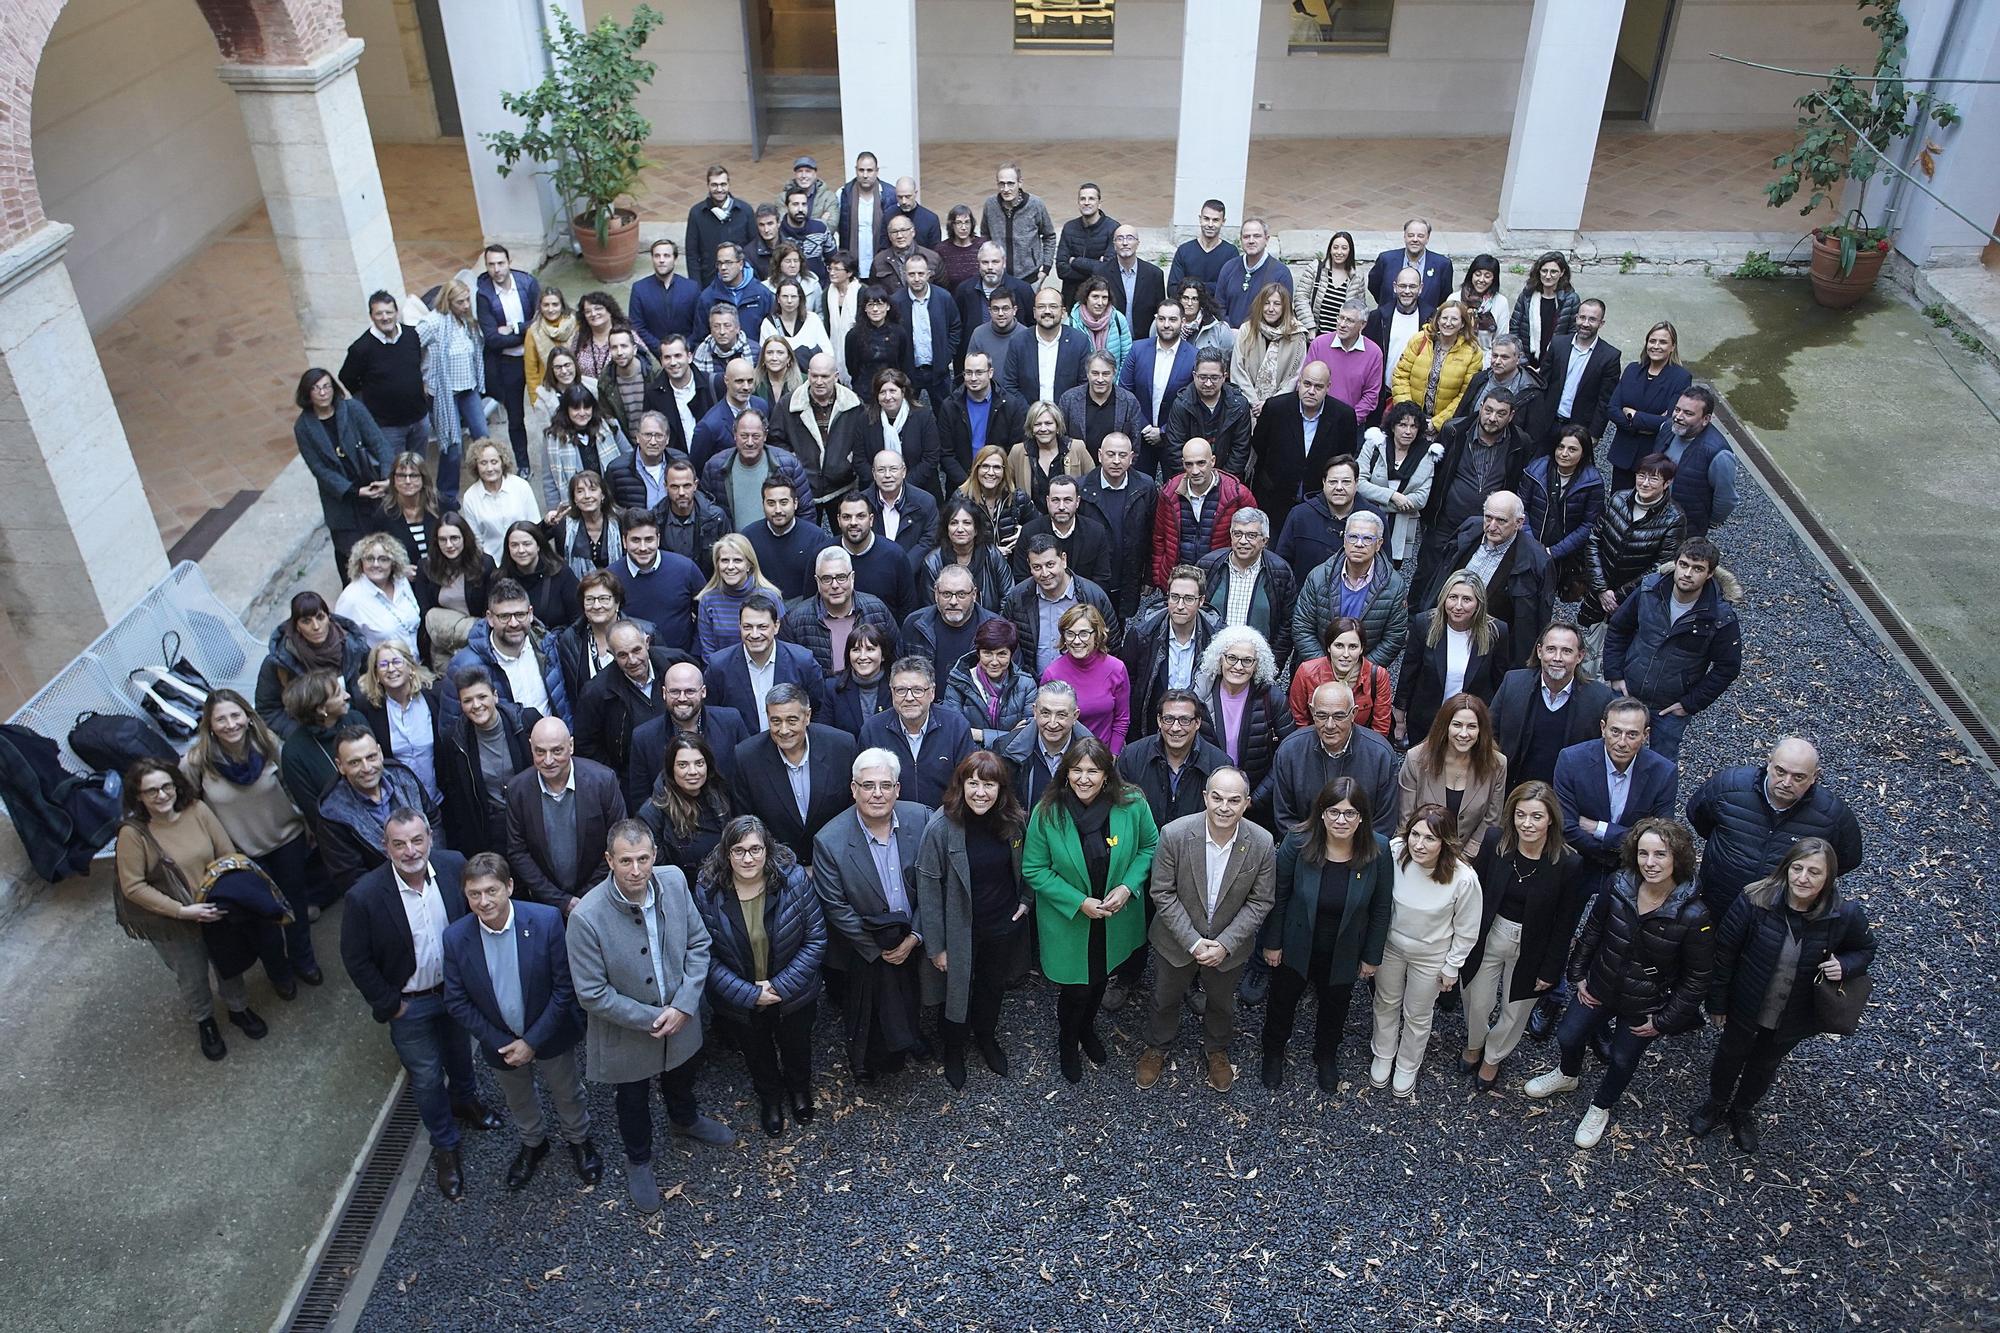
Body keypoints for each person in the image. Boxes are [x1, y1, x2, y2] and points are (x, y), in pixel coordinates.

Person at [568, 818, 734, 1214]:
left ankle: (685, 1119)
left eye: (643, 858)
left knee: (682, 1072)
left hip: (681, 1013)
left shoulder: (674, 881)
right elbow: (591, 992)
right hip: (628, 1029)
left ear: (655, 855)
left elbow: (699, 943)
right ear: (609, 860)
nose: (636, 870)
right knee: (632, 1096)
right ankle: (638, 1159)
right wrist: (652, 1019)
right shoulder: (586, 917)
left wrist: (683, 1005)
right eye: (626, 861)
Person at [1524, 818, 1713, 1149]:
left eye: (1660, 854)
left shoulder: (1694, 914)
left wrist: (1663, 1021)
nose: (1650, 863)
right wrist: (1578, 975)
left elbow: (1697, 978)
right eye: (1643, 854)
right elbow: (1593, 929)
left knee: (1624, 1059)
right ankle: (1568, 1075)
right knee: (1568, 1035)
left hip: (1645, 1002)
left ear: (1677, 858)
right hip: (1601, 983)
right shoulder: (1619, 884)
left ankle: (1601, 1106)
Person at [338, 810, 496, 1198]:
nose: (410, 851)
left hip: (454, 993)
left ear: (429, 837)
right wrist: (390, 1005)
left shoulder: (453, 865)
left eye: (417, 840)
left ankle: (466, 1102)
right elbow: (355, 958)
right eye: (399, 844)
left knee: (461, 1054)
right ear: (385, 846)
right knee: (426, 1076)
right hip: (409, 1005)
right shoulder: (365, 896)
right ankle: (444, 1143)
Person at [1695, 837, 1877, 1153]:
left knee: (1765, 1064)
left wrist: (1844, 965)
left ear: (1829, 877)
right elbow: (1724, 953)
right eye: (1798, 868)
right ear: (1786, 868)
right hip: (1745, 1005)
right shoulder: (1754, 900)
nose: (1803, 878)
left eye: (1814, 872)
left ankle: (1741, 1112)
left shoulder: (1844, 915)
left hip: (1793, 1014)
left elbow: (1865, 949)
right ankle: (1716, 1103)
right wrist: (1717, 1001)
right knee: (1729, 1055)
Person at [442, 853, 600, 1191]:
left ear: (509, 886)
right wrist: (502, 1041)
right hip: (499, 1043)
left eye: (491, 891)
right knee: (518, 1099)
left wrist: (532, 1042)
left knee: (567, 1092)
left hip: (550, 1034)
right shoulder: (455, 938)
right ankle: (533, 1143)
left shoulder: (545, 921)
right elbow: (456, 1000)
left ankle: (579, 1140)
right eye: (474, 894)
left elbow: (564, 989)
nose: (483, 901)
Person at [115, 759, 282, 1061]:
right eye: (151, 791)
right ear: (138, 796)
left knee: (227, 961)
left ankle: (238, 1009)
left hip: (214, 906)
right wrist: (183, 911)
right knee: (191, 975)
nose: (162, 795)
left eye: (166, 786)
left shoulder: (198, 811)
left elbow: (227, 854)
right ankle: (205, 1021)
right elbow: (133, 886)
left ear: (176, 785)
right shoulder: (133, 834)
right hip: (173, 918)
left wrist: (223, 898)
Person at [1023, 736, 1159, 1083]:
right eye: (1077, 770)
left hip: (1114, 914)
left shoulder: (1132, 803)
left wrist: (1128, 886)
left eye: (1093, 771)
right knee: (1076, 988)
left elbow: (1149, 846)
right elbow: (1034, 868)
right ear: (1065, 773)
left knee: (1100, 978)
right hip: (1071, 918)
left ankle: (1088, 1030)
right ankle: (1068, 1041)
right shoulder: (1048, 811)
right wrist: (1078, 902)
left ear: (1107, 775)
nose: (1084, 778)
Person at [1133, 767, 1276, 1093]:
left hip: (1230, 946)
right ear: (1205, 798)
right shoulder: (1174, 834)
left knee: (1222, 1003)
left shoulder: (1262, 843)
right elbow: (1162, 893)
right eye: (1217, 797)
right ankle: (1158, 1045)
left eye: (1234, 800)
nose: (1224, 807)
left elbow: (1261, 900)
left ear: (1246, 803)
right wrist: (1193, 942)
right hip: (1175, 941)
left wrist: (1225, 944)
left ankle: (1216, 1049)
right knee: (1164, 998)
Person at [692, 815, 826, 1137]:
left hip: (792, 994)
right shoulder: (708, 892)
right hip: (741, 999)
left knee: (796, 1044)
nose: (748, 858)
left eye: (755, 849)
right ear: (726, 854)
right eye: (738, 851)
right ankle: (770, 1098)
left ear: (768, 849)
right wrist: (750, 994)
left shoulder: (794, 881)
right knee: (757, 1051)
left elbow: (816, 938)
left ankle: (798, 1090)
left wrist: (779, 987)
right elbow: (704, 956)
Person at [1258, 776, 1392, 1091]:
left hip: (1344, 948)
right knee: (1282, 1001)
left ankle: (1326, 1054)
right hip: (1296, 942)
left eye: (1350, 813)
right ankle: (1274, 1052)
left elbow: (1381, 908)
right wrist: (1273, 943)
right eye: (1334, 812)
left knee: (1336, 1005)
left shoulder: (1379, 850)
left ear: (1362, 817)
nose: (1341, 820)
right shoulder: (1297, 841)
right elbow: (1279, 896)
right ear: (1321, 812)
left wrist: (1372, 956)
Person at [183, 690, 322, 984]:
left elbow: (291, 783)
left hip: (286, 839)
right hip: (241, 854)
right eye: (221, 719)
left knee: (295, 903)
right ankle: (279, 972)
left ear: (247, 716)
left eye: (236, 715)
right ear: (209, 724)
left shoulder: (268, 744)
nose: (230, 724)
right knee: (262, 918)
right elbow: (189, 808)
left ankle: (303, 959)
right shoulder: (197, 762)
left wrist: (307, 823)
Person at [1458, 781, 1587, 1092]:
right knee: (1476, 998)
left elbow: (1566, 922)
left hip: (1534, 943)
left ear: (1551, 819)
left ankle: (1493, 1056)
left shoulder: (1569, 862)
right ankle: (1475, 1042)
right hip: (1491, 932)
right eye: (1520, 815)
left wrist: (1551, 968)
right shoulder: (1494, 841)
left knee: (1516, 1009)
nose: (1527, 824)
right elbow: (1475, 892)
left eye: (1536, 817)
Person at [913, 751, 1032, 1087]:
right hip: (959, 929)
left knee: (992, 986)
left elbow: (1028, 866)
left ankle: (986, 1037)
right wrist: (936, 946)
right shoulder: (940, 827)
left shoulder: (1013, 821)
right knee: (957, 991)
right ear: (961, 785)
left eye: (989, 784)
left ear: (1001, 789)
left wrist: (1026, 901)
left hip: (1001, 924)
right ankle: (953, 1049)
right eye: (973, 783)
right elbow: (929, 889)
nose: (981, 792)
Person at [812, 749, 931, 1082]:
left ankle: (912, 1037)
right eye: (868, 785)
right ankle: (869, 1057)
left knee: (912, 991)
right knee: (869, 1006)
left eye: (885, 785)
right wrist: (877, 949)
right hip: (865, 945)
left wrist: (916, 937)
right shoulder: (829, 841)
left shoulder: (921, 819)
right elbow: (835, 906)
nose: (877, 793)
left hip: (913, 934)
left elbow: (935, 887)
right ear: (853, 789)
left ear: (898, 789)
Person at [1686, 738, 1866, 923]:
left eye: (1798, 777)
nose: (1787, 782)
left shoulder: (1832, 816)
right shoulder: (1728, 787)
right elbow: (1698, 817)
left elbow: (1844, 860)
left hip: (1777, 917)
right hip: (1717, 901)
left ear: (1815, 776)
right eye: (1780, 771)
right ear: (1768, 762)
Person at [1370, 804, 1481, 1098]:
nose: (1419, 844)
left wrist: (1452, 966)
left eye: (1430, 838)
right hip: (1391, 947)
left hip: (1431, 956)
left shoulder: (1463, 877)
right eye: (1415, 834)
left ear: (1446, 842)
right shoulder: (1394, 852)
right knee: (1386, 1001)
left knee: (1418, 1013)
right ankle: (1383, 1053)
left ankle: (1407, 1064)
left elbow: (1468, 928)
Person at [1603, 538, 1742, 768]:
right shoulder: (1649, 590)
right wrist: (1615, 674)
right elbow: (1619, 627)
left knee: (1660, 767)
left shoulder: (1719, 616)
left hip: (1669, 708)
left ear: (1709, 574)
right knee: (1611, 753)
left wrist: (1689, 703)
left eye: (1698, 569)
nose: (1688, 573)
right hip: (1627, 692)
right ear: (1675, 564)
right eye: (1684, 564)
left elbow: (1727, 667)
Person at [502, 718, 626, 917]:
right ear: (531, 749)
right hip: (546, 906)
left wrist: (587, 896)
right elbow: (518, 851)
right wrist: (560, 900)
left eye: (557, 751)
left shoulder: (603, 781)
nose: (548, 760)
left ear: (571, 746)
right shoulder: (518, 790)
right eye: (540, 752)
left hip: (601, 898)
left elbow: (619, 844)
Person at [1581, 454, 1686, 675]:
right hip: (1599, 592)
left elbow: (1660, 566)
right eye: (1641, 476)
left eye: (1654, 479)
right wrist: (1601, 589)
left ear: (1667, 483)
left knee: (1618, 655)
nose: (1645, 483)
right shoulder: (1618, 499)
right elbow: (1593, 541)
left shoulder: (1674, 518)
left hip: (1633, 600)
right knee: (1586, 647)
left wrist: (1618, 596)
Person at [1432, 489, 1555, 673]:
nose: (1492, 526)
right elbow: (1440, 576)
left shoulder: (1537, 561)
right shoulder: (1469, 529)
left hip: (1491, 648)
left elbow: (1533, 623)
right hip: (1448, 631)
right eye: (1488, 517)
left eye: (1501, 520)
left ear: (1519, 523)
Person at [732, 684, 857, 862]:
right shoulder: (747, 757)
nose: (783, 730)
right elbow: (745, 823)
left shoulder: (841, 746)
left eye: (792, 720)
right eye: (776, 721)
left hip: (837, 861)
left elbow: (853, 809)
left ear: (807, 716)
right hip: (778, 868)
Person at [1486, 622, 1614, 789]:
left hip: (1568, 796)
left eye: (1567, 651)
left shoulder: (1599, 698)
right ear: (1540, 651)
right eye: (1551, 649)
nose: (1557, 658)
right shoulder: (1514, 684)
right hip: (1514, 792)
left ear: (1580, 656)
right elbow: (1489, 732)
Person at [316, 727, 441, 895]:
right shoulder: (332, 813)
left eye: (371, 757)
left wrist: (436, 867)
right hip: (386, 897)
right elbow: (350, 875)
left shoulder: (403, 777)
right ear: (340, 766)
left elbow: (433, 821)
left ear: (380, 753)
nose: (367, 768)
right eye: (355, 762)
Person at [1394, 571, 1511, 749]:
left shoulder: (1496, 632)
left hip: (1470, 726)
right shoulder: (1424, 624)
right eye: (1453, 597)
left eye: (1466, 599)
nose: (1458, 606)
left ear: (1479, 603)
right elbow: (1409, 672)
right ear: (1444, 598)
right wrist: (1400, 714)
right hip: (1426, 719)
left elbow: (1499, 683)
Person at [295, 367, 392, 576]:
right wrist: (352, 491)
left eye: (327, 387)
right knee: (350, 557)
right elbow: (319, 469)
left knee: (383, 549)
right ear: (307, 393)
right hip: (341, 499)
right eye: (316, 388)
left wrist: (386, 478)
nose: (323, 393)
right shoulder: (303, 427)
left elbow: (379, 443)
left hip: (371, 489)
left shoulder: (353, 410)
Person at [1270, 682, 1401, 836]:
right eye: (1322, 715)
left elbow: (1384, 822)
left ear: (1354, 713)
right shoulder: (1290, 752)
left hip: (1362, 853)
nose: (1330, 725)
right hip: (1306, 851)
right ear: (1312, 711)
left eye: (1339, 716)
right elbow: (1285, 817)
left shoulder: (1380, 755)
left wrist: (1354, 854)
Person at [1250, 360, 1358, 540]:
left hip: (1319, 501)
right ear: (1299, 382)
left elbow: (1345, 456)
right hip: (1275, 497)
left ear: (1328, 387)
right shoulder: (1276, 408)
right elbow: (1260, 444)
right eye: (1307, 384)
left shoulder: (1343, 416)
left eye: (1318, 386)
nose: (1311, 391)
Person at [1291, 511, 1408, 674]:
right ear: (1344, 539)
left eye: (1368, 538)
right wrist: (1325, 669)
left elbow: (1394, 637)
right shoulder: (1318, 577)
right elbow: (1302, 626)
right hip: (1317, 672)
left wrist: (1360, 672)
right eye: (1353, 536)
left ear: (1379, 544)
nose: (1359, 544)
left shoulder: (1394, 585)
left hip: (1363, 678)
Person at [436, 667, 536, 856]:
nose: (476, 705)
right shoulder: (454, 740)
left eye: (482, 697)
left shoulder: (525, 721)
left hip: (532, 820)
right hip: (491, 831)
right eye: (467, 700)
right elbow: (454, 798)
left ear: (495, 696)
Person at [1194, 626, 1291, 812]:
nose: (1238, 667)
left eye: (1247, 660)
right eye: (1232, 658)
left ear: (1257, 664)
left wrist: (1255, 799)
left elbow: (1287, 754)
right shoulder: (1199, 695)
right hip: (1207, 801)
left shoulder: (1272, 698)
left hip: (1255, 804)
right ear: (1220, 658)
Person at [1397, 693, 1508, 850]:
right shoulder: (1416, 759)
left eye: (1471, 726)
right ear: (1445, 727)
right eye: (1457, 725)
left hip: (1470, 860)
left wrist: (1465, 858)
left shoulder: (1497, 764)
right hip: (1421, 852)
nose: (1464, 734)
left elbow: (1492, 820)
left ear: (1481, 730)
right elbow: (1406, 817)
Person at [859, 656, 974, 807]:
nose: (909, 698)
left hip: (944, 821)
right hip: (891, 821)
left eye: (917, 690)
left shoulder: (956, 726)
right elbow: (864, 785)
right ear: (892, 692)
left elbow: (967, 783)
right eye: (901, 690)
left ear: (932, 692)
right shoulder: (873, 729)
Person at [572, 620, 675, 781]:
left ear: (647, 642)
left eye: (636, 650)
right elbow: (586, 745)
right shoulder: (596, 692)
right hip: (632, 780)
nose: (632, 660)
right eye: (623, 655)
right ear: (611, 654)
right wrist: (615, 780)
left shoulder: (676, 667)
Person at [257, 591, 368, 740]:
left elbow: (374, 677)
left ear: (328, 617)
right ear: (297, 626)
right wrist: (300, 735)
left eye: (320, 617)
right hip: (314, 739)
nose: (316, 626)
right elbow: (268, 709)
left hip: (360, 726)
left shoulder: (353, 646)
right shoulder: (279, 662)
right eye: (306, 621)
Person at [1004, 535, 1120, 676]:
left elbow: (1111, 644)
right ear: (1029, 566)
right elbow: (1006, 641)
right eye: (1037, 567)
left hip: (1082, 683)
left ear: (1063, 560)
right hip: (1034, 685)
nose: (1045, 573)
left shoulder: (1092, 596)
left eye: (1050, 565)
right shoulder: (1018, 597)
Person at [415, 279, 486, 501]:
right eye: (460, 302)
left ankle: (487, 481)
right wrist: (422, 380)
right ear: (448, 301)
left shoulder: (466, 321)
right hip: (445, 393)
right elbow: (411, 351)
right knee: (452, 445)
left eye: (467, 300)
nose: (465, 305)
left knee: (482, 436)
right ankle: (447, 495)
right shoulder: (432, 324)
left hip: (468, 387)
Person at [705, 592, 824, 723]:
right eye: (747, 627)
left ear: (776, 626)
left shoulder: (802, 661)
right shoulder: (719, 665)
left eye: (762, 627)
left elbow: (817, 710)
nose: (755, 634)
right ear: (739, 627)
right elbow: (713, 716)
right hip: (740, 743)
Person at [1151, 436, 1251, 590]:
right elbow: (1159, 537)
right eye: (1189, 464)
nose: (1195, 471)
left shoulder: (1237, 495)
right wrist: (1159, 576)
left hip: (1219, 581)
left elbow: (1253, 540)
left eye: (1201, 463)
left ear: (1213, 461)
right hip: (1178, 580)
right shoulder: (1169, 493)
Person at [338, 290, 431, 457]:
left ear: (396, 313)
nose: (385, 317)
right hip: (388, 427)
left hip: (419, 418)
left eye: (389, 312)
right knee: (395, 471)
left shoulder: (411, 335)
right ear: (371, 316)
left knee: (419, 465)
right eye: (379, 313)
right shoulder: (361, 348)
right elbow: (347, 379)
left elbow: (417, 363)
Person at [475, 244, 542, 474]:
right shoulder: (484, 294)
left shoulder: (527, 283)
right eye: (491, 264)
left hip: (535, 358)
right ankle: (523, 464)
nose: (496, 269)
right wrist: (526, 333)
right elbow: (493, 339)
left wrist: (515, 328)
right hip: (508, 364)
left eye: (500, 263)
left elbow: (540, 320)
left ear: (509, 262)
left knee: (549, 409)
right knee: (515, 418)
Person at [1605, 321, 1694, 492]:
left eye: (1663, 342)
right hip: (1624, 453)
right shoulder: (1632, 370)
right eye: (1652, 341)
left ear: (1672, 346)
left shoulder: (1681, 378)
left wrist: (1633, 415)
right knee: (1618, 505)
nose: (1656, 346)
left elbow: (1670, 421)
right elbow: (1612, 409)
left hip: (1652, 455)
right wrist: (1642, 425)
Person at [636, 730, 734, 884]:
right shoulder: (652, 813)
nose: (693, 771)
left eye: (699, 763)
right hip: (684, 893)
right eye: (683, 765)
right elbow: (659, 873)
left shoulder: (722, 796)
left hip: (725, 886)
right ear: (671, 769)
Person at [352, 639, 441, 807]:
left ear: (410, 666)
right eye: (384, 665)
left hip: (442, 797)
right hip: (401, 804)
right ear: (376, 674)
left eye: (396, 662)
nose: (391, 669)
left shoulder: (434, 695)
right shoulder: (369, 708)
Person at [1518, 424, 1603, 600]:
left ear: (1584, 453)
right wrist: (1533, 546)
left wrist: (1553, 551)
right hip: (1528, 546)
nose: (1564, 454)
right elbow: (1521, 508)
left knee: (1545, 598)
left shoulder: (1593, 483)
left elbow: (1589, 525)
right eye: (1561, 447)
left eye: (1572, 449)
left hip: (1562, 556)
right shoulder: (1535, 471)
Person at [701, 410, 815, 532]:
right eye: (744, 436)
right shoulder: (715, 467)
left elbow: (806, 511)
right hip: (734, 547)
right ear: (734, 435)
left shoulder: (788, 465)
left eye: (755, 436)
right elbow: (706, 512)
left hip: (779, 543)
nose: (750, 442)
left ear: (765, 436)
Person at [1120, 301, 1198, 478]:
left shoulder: (1194, 356)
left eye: (1172, 319)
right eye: (1161, 319)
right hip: (1140, 435)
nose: (1166, 325)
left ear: (1183, 322)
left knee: (1175, 490)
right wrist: (1145, 426)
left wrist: (1163, 431)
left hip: (1176, 439)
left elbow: (1192, 401)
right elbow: (1125, 392)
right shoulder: (1137, 349)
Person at [1041, 605, 1131, 757]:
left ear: (1096, 634)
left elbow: (1122, 718)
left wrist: (1113, 755)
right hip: (1065, 757)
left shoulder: (1116, 668)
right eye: (1070, 634)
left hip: (1103, 755)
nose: (1076, 641)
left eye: (1084, 634)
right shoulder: (1052, 673)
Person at [414, 514, 496, 671]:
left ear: (465, 538)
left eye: (454, 538)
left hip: (477, 641)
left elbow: (491, 609)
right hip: (441, 646)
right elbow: (424, 612)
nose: (449, 545)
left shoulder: (484, 563)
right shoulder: (426, 567)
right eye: (443, 540)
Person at [938, 351, 1028, 493]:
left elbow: (1016, 449)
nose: (973, 378)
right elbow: (946, 453)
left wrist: (998, 478)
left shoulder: (1010, 405)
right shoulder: (950, 406)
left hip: (999, 485)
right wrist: (968, 484)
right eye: (968, 373)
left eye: (979, 372)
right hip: (961, 486)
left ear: (990, 372)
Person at [1536, 298, 1621, 447]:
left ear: (1601, 324)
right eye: (1582, 317)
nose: (1585, 323)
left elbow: (1604, 400)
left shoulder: (1610, 356)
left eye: (1592, 319)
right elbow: (1543, 382)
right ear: (1576, 317)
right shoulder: (1558, 344)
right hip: (1548, 422)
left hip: (1579, 428)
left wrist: (1594, 434)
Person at [1288, 618, 1394, 737]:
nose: (1346, 654)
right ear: (1329, 647)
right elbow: (1299, 721)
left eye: (1353, 647)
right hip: (1317, 741)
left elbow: (1381, 728)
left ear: (1361, 649)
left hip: (1361, 743)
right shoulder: (1306, 672)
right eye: (1339, 646)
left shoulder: (1378, 675)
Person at [943, 616, 1038, 747]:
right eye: (987, 653)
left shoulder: (1026, 684)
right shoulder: (958, 681)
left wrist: (979, 734)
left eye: (1002, 654)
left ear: (1011, 654)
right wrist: (1007, 734)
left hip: (1012, 759)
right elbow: (953, 730)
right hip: (970, 758)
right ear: (978, 653)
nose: (994, 662)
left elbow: (1028, 734)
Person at [1661, 384, 1739, 537]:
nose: (1678, 416)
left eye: (1688, 413)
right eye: (1677, 410)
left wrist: (1706, 522)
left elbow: (1726, 499)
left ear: (1706, 419)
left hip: (1686, 528)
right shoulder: (1667, 428)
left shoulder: (1719, 454)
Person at [740, 477, 834, 603]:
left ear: (795, 503)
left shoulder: (815, 537)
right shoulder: (748, 537)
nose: (778, 510)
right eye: (771, 503)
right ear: (763, 505)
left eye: (784, 502)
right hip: (761, 608)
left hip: (805, 609)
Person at [1392, 301, 1483, 431]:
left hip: (1444, 426)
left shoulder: (1473, 352)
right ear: (1437, 320)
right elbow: (1401, 376)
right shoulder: (1419, 340)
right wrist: (1409, 415)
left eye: (1454, 319)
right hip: (1410, 421)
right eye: (1444, 318)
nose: (1448, 323)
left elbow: (1465, 394)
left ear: (1462, 323)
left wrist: (1437, 423)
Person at [276, 669, 354, 822]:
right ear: (321, 708)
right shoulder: (294, 753)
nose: (347, 696)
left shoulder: (355, 719)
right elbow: (312, 810)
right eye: (338, 694)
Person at [900, 563, 998, 682]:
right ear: (936, 593)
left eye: (961, 594)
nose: (953, 601)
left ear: (973, 595)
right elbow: (899, 672)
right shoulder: (915, 625)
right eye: (946, 594)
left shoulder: (996, 627)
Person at [1164, 353, 1253, 477]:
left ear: (1224, 377)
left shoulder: (1239, 405)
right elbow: (1175, 448)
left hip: (1227, 477)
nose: (1208, 383)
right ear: (1194, 376)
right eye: (1203, 377)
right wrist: (1195, 476)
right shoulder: (1181, 404)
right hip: (1190, 476)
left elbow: (1240, 448)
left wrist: (1223, 481)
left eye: (1214, 377)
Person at [1230, 281, 1308, 420]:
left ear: (1285, 307)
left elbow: (1295, 376)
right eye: (1266, 303)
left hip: (1281, 410)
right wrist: (1255, 403)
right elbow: (1237, 370)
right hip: (1247, 408)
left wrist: (1270, 404)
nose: (1270, 308)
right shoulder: (1247, 330)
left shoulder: (1297, 335)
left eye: (1277, 304)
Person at [334, 534, 423, 655]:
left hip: (415, 664)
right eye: (369, 559)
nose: (376, 564)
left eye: (383, 559)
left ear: (393, 563)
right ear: (360, 563)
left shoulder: (401, 581)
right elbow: (341, 642)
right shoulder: (351, 598)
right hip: (384, 670)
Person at [458, 439, 542, 563]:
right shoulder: (470, 497)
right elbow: (475, 539)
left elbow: (535, 525)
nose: (489, 468)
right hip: (493, 564)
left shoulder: (521, 486)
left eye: (494, 462)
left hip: (525, 558)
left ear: (502, 462)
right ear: (476, 466)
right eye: (483, 463)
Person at [1364, 269, 1435, 413]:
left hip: (1416, 397)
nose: (1407, 291)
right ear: (1395, 287)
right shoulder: (1378, 317)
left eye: (1412, 286)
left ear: (1420, 288)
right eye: (1403, 286)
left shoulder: (1432, 318)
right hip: (1383, 394)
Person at [1006, 400, 1092, 510]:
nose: (1043, 429)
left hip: (1069, 519)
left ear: (1057, 425)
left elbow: (1092, 483)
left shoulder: (1076, 447)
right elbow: (1007, 486)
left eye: (1048, 423)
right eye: (1037, 424)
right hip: (1030, 522)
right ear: (1031, 428)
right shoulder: (1018, 451)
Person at [1451, 333, 1544, 435]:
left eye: (1504, 357)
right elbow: (1461, 415)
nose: (1497, 361)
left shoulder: (1530, 392)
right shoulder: (1480, 379)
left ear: (1518, 358)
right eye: (1495, 356)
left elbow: (1532, 435)